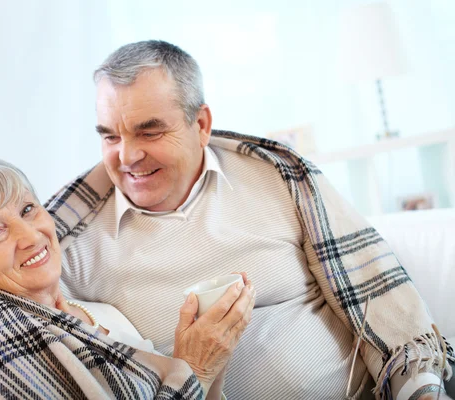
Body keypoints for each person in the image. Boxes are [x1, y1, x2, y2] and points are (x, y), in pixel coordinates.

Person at [45, 40, 454, 399]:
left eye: (149, 132)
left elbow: (379, 302)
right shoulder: (71, 251)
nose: (128, 156)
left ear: (200, 124)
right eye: (110, 136)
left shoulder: (278, 177)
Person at [0, 158, 256, 399]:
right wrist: (195, 367)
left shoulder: (95, 311)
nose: (31, 236)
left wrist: (212, 352)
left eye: (27, 209)